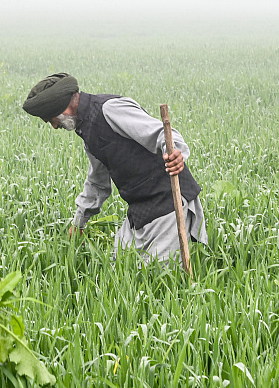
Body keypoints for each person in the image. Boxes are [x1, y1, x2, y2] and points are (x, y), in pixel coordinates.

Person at [21, 73, 207, 264]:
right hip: (140, 209)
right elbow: (97, 183)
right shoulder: (87, 130)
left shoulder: (110, 109)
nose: (54, 126)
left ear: (62, 107)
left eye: (51, 119)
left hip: (168, 201)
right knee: (117, 267)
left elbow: (161, 132)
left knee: (159, 277)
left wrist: (175, 153)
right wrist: (79, 222)